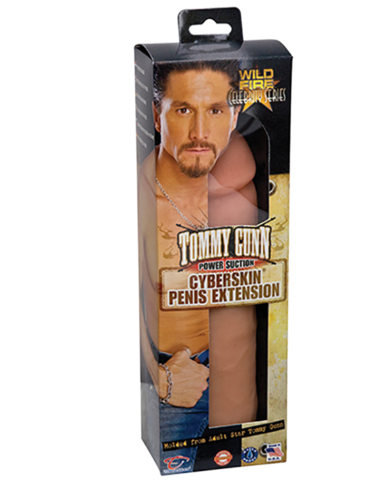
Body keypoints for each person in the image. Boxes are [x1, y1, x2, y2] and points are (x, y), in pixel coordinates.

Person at [138, 60, 259, 474]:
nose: (199, 132)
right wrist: (160, 378)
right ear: (157, 115)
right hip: (175, 386)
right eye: (184, 109)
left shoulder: (241, 185)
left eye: (215, 110)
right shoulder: (144, 196)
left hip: (237, 383)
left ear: (234, 116)